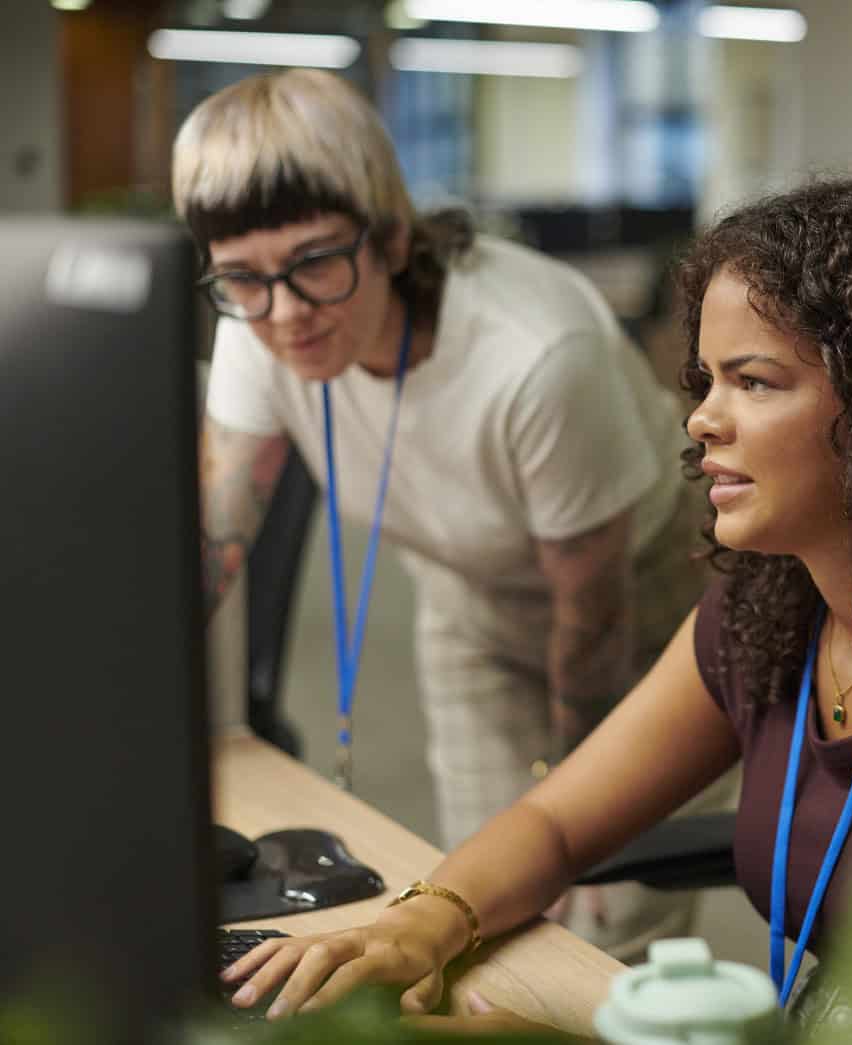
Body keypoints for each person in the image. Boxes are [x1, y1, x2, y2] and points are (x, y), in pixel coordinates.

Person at [218, 175, 852, 1042]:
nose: (702, 420)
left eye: (754, 382)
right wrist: (420, 923)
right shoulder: (774, 610)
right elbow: (556, 822)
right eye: (706, 380)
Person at [175, 69, 721, 960]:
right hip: (469, 594)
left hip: (643, 606)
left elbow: (592, 620)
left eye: (315, 262)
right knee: (473, 902)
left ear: (390, 236)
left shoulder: (535, 354)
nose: (282, 315)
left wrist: (574, 814)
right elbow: (214, 539)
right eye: (243, 278)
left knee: (603, 913)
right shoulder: (261, 321)